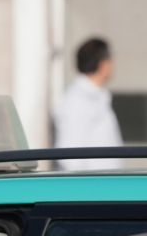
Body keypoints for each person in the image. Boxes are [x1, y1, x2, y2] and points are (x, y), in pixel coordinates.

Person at [53, 37, 123, 170]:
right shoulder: (77, 101)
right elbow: (69, 158)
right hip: (91, 188)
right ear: (104, 64)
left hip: (104, 185)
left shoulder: (96, 97)